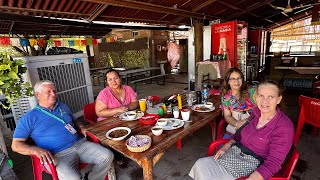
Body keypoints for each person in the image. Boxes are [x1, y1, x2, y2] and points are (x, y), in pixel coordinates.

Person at [189, 80, 294, 180]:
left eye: (270, 97)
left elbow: (273, 163)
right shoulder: (256, 113)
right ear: (256, 97)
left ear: (278, 99)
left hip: (252, 165)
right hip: (235, 154)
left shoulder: (283, 127)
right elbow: (240, 134)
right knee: (201, 164)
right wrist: (228, 145)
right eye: (261, 96)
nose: (264, 101)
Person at [11, 80, 114, 180]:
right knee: (73, 178)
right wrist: (36, 150)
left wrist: (81, 127)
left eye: (54, 91)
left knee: (108, 156)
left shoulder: (62, 106)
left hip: (80, 144)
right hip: (58, 154)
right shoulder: (29, 118)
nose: (53, 94)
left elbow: (75, 121)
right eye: (48, 92)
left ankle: (92, 178)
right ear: (38, 95)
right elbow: (15, 145)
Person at [220, 68, 256, 136]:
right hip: (235, 126)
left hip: (253, 125)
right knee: (224, 145)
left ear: (242, 79)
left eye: (239, 78)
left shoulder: (252, 92)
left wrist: (247, 122)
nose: (236, 82)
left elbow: (260, 110)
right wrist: (237, 124)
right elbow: (227, 116)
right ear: (228, 81)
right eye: (233, 79)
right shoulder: (226, 98)